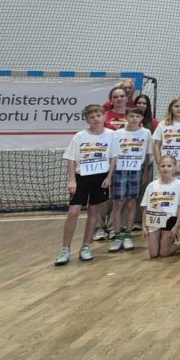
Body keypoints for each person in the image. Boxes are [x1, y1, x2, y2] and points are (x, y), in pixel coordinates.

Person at [55, 104, 116, 265]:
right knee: (73, 212)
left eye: (98, 116)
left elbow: (113, 157)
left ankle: (86, 247)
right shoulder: (80, 136)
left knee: (93, 212)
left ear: (104, 117)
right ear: (87, 120)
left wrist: (109, 177)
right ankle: (65, 249)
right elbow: (71, 159)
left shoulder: (111, 135)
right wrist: (72, 180)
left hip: (100, 178)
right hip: (81, 178)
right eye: (92, 117)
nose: (96, 119)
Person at [109, 106, 151, 252]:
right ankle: (117, 235)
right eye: (132, 116)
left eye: (138, 116)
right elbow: (113, 155)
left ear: (141, 118)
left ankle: (128, 235)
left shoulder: (146, 133)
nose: (134, 119)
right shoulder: (117, 133)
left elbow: (147, 154)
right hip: (119, 170)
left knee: (132, 202)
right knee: (118, 203)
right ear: (126, 117)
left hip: (136, 170)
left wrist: (145, 172)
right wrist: (110, 174)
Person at [140, 154, 180, 258]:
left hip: (170, 219)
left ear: (174, 167)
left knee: (164, 253)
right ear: (158, 167)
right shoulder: (151, 185)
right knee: (153, 254)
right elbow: (145, 207)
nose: (166, 168)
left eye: (169, 166)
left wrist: (177, 226)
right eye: (163, 166)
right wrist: (143, 226)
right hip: (154, 219)